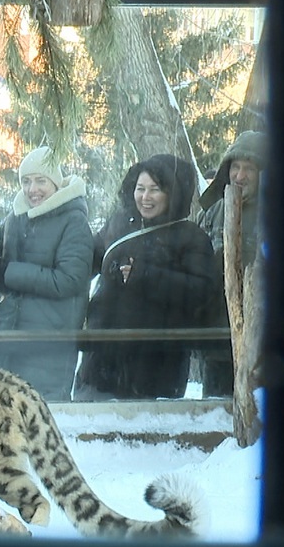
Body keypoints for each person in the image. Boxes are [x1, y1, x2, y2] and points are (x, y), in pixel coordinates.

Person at [74, 154, 216, 400]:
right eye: (140, 189)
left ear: (172, 193)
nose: (145, 197)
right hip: (102, 357)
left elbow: (201, 292)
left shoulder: (190, 237)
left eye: (155, 190)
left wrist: (146, 275)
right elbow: (88, 260)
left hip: (156, 363)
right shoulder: (119, 224)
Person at [0, 147, 93, 401]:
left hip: (50, 342)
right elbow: (0, 268)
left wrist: (10, 272)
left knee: (44, 416)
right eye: (26, 182)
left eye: (41, 181)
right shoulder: (14, 218)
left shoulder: (73, 221)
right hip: (11, 338)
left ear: (55, 182)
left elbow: (69, 280)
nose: (33, 189)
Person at [197, 131, 268, 397]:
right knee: (214, 412)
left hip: (261, 341)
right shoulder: (214, 211)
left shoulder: (276, 214)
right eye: (235, 167)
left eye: (249, 168)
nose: (240, 176)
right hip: (216, 335)